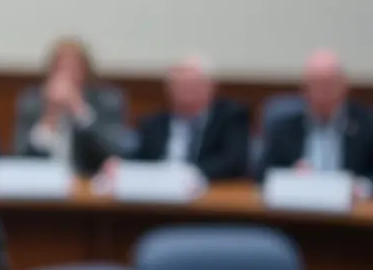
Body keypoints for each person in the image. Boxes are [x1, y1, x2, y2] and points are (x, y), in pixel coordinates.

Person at [15, 37, 126, 174]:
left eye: (73, 68)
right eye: (60, 68)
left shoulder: (107, 100)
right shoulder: (32, 102)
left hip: (89, 185)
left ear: (85, 71)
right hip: (42, 184)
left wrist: (79, 110)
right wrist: (50, 117)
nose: (66, 75)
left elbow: (111, 153)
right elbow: (21, 156)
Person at [259, 49, 373, 181]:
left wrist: (361, 187)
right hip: (298, 199)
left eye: (330, 84)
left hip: (352, 200)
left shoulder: (366, 126)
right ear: (304, 89)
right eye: (316, 85)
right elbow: (261, 173)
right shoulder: (284, 127)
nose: (324, 92)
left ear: (344, 86)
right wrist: (289, 175)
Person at [130, 56, 250, 180]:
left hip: (212, 188)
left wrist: (193, 174)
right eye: (179, 85)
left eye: (193, 85)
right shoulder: (152, 123)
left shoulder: (230, 117)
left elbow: (234, 162)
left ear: (211, 87)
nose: (186, 92)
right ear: (168, 89)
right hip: (161, 189)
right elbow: (140, 161)